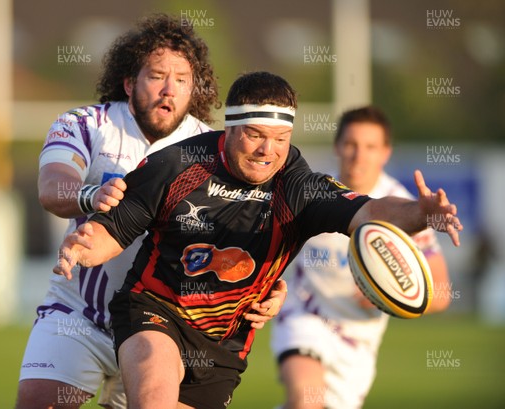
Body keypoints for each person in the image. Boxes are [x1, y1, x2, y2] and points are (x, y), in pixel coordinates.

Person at [53, 72, 462, 409]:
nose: (268, 150)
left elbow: (370, 212)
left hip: (225, 343)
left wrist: (422, 213)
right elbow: (114, 229)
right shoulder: (176, 165)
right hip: (156, 309)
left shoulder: (298, 187)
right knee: (154, 401)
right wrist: (84, 246)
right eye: (254, 135)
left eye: (280, 139)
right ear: (229, 127)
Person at [15, 15, 284, 409]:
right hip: (79, 316)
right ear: (129, 82)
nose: (168, 90)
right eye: (157, 75)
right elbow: (53, 187)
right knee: (38, 402)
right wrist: (93, 194)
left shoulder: (212, 149)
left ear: (195, 88)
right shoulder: (87, 125)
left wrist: (268, 286)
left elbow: (244, 232)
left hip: (163, 326)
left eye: (181, 79)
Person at [270, 106, 453, 409]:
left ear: (385, 152)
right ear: (337, 146)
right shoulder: (313, 192)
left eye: (370, 147)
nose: (359, 155)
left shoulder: (405, 211)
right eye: (351, 144)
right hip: (305, 315)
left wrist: (387, 294)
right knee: (305, 399)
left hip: (358, 341)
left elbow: (441, 295)